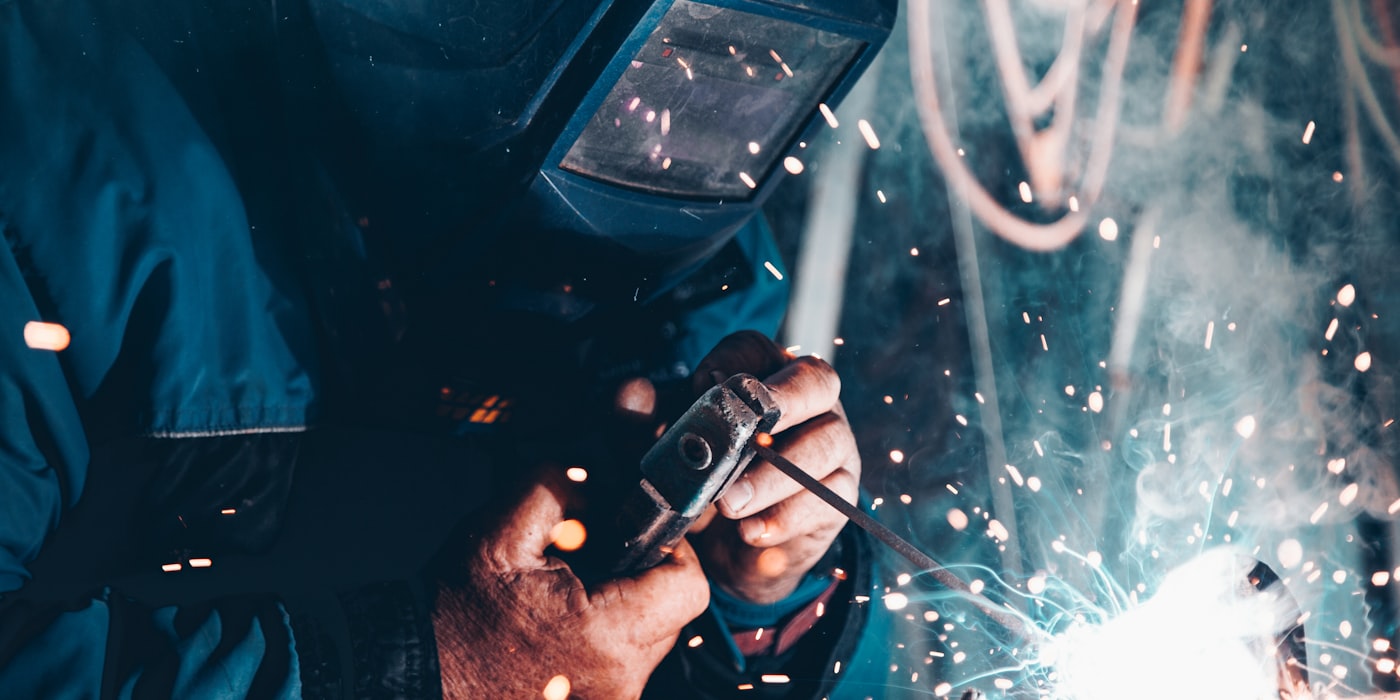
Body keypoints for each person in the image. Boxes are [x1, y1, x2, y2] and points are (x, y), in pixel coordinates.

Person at [0, 0, 884, 697]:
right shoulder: (61, 171)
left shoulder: (700, 262)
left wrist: (766, 601)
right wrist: (426, 675)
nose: (670, 122)